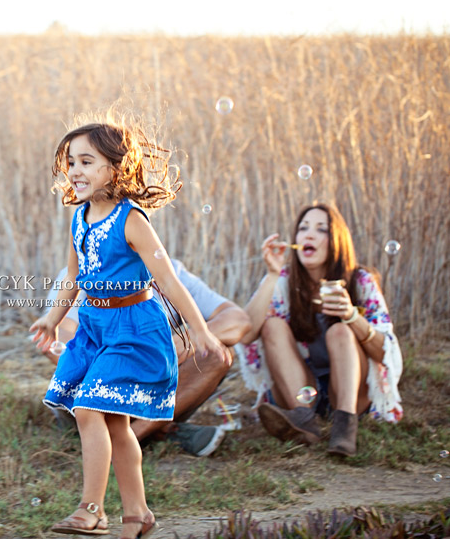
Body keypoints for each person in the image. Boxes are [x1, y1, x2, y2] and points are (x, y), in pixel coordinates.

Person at [30, 115, 230, 538]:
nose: (75, 171)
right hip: (95, 327)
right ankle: (138, 513)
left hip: (134, 328)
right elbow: (72, 278)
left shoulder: (131, 220)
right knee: (115, 422)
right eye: (71, 162)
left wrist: (200, 329)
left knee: (87, 409)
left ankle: (92, 510)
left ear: (115, 169)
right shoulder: (79, 218)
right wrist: (51, 318)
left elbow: (168, 280)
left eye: (87, 161)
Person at [236, 202, 403, 457]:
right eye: (303, 228)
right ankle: (304, 422)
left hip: (351, 393)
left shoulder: (360, 281)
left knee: (341, 331)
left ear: (336, 240)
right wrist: (272, 274)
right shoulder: (285, 281)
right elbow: (246, 334)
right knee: (272, 325)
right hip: (301, 390)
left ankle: (345, 426)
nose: (308, 235)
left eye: (320, 229)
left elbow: (385, 353)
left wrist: (350, 316)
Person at [39, 261, 251, 457]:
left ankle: (131, 437)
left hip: (156, 390)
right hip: (99, 390)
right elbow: (59, 341)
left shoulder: (172, 273)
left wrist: (188, 340)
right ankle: (165, 430)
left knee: (218, 353)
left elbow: (237, 320)